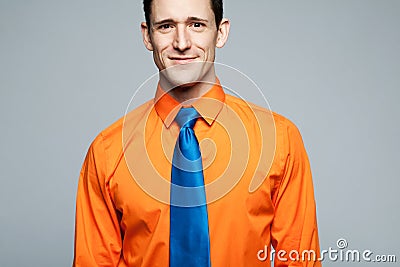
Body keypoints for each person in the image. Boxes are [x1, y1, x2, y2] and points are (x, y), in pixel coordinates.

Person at [73, 0, 321, 266]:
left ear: (221, 32)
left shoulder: (280, 141)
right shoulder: (107, 152)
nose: (182, 42)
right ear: (147, 36)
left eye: (196, 24)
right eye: (166, 26)